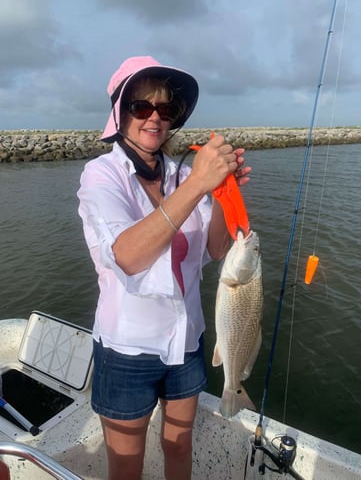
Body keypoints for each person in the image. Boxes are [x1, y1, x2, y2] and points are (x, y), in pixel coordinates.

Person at [77, 55, 250, 480]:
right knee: (126, 464)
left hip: (187, 340)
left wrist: (225, 194)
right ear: (120, 113)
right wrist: (197, 185)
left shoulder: (181, 174)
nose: (155, 118)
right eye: (141, 107)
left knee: (179, 445)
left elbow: (215, 248)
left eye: (165, 109)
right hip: (127, 349)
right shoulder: (101, 176)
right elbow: (127, 255)